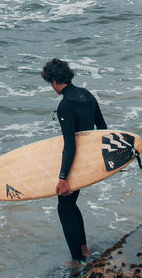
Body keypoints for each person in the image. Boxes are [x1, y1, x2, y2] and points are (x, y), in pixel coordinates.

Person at [41, 58, 106, 263]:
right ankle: (84, 250)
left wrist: (63, 178)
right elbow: (103, 130)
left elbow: (70, 145)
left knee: (64, 207)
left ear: (54, 81)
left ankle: (77, 261)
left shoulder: (65, 105)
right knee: (71, 204)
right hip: (88, 161)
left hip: (74, 161)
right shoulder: (87, 95)